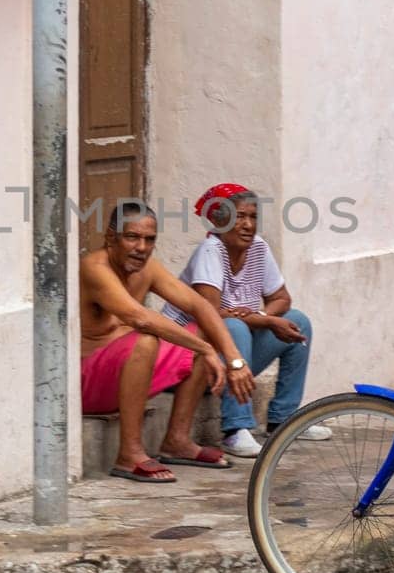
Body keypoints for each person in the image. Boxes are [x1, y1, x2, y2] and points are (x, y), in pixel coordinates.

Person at [79, 201, 258, 483]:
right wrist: (207, 350)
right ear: (111, 238)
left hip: (130, 375)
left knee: (200, 330)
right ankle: (129, 454)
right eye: (132, 237)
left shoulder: (147, 268)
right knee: (148, 339)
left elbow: (199, 305)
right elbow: (140, 318)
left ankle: (177, 440)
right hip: (87, 384)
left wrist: (235, 360)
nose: (141, 247)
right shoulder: (94, 268)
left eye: (149, 240)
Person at [166, 184, 328, 458]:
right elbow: (212, 314)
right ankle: (235, 429)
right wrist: (263, 322)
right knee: (234, 327)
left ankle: (282, 419)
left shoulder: (258, 248)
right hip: (188, 361)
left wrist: (264, 317)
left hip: (230, 358)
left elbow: (281, 298)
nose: (247, 225)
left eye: (252, 217)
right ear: (218, 220)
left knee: (297, 321)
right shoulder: (210, 250)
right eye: (239, 216)